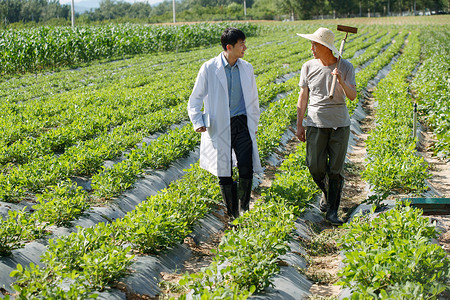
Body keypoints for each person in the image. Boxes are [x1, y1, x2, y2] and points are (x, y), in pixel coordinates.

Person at [187, 27, 262, 219]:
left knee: (246, 166)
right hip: (220, 125)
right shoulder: (209, 68)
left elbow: (253, 98)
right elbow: (195, 98)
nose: (245, 47)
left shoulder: (247, 67)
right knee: (224, 169)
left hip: (242, 123)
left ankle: (244, 209)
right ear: (229, 47)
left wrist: (254, 119)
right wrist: (197, 121)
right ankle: (232, 214)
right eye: (241, 44)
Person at [296, 27, 357, 226]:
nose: (311, 48)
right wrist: (300, 124)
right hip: (315, 123)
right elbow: (303, 96)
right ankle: (326, 191)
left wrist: (340, 79)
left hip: (339, 124)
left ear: (325, 47)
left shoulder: (345, 67)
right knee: (315, 166)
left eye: (314, 44)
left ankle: (332, 211)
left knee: (335, 170)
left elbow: (352, 95)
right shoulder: (308, 66)